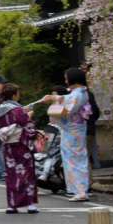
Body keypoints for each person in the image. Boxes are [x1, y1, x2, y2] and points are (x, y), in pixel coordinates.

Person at [43, 67, 90, 202]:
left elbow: (68, 104)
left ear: (72, 79)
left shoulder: (78, 94)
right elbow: (67, 99)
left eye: (66, 78)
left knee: (74, 159)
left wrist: (54, 100)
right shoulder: (80, 93)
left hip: (73, 130)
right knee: (75, 158)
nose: (66, 81)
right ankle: (79, 189)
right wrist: (55, 97)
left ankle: (80, 189)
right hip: (75, 129)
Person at [0, 84, 40, 213]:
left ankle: (12, 204)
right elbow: (29, 127)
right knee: (27, 174)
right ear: (14, 96)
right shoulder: (18, 110)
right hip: (21, 146)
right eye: (17, 94)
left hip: (8, 146)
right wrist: (28, 115)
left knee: (11, 175)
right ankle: (29, 204)